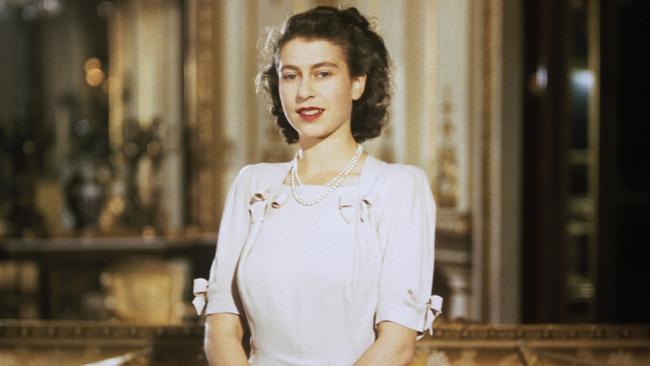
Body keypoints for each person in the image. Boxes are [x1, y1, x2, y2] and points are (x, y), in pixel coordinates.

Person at [193, 6, 441, 366]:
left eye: (322, 74)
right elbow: (221, 328)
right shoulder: (253, 186)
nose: (304, 92)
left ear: (358, 82)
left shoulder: (399, 188)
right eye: (290, 76)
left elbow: (396, 345)